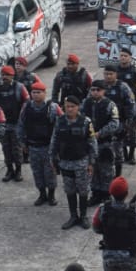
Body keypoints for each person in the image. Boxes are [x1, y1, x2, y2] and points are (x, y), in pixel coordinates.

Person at [51, 96, 98, 229]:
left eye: (73, 106)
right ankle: (73, 216)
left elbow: (92, 143)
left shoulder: (86, 122)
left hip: (82, 163)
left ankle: (83, 216)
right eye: (67, 106)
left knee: (83, 190)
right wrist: (52, 159)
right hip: (65, 163)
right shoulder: (60, 121)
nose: (70, 109)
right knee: (69, 190)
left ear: (78, 107)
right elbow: (54, 140)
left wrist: (91, 162)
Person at [18, 81, 62, 206]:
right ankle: (42, 194)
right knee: (37, 172)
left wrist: (58, 146)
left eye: (38, 92)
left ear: (44, 93)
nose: (36, 95)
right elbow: (21, 125)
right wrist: (22, 143)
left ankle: (51, 195)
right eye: (34, 92)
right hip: (33, 146)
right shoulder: (27, 107)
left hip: (48, 147)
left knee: (50, 173)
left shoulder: (53, 107)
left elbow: (61, 125)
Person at [81, 81, 122, 206]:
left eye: (98, 90)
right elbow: (80, 118)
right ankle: (95, 194)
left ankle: (106, 195)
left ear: (104, 91)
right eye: (93, 90)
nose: (95, 92)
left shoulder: (110, 104)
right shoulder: (86, 103)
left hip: (105, 143)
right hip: (89, 144)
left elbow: (115, 123)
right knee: (93, 170)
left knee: (106, 171)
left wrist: (100, 133)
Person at [0, 65, 29, 183]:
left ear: (12, 76)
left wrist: (22, 117)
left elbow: (27, 101)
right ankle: (9, 170)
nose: (5, 77)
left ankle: (18, 170)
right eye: (3, 75)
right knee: (6, 148)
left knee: (17, 149)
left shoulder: (19, 87)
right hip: (3, 124)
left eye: (7, 75)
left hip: (16, 123)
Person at [103, 65, 136, 171]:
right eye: (106, 74)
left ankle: (118, 174)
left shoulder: (123, 87)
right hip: (103, 124)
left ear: (116, 75)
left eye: (111, 74)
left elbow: (131, 104)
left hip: (119, 123)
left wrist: (129, 122)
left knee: (118, 150)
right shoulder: (99, 87)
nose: (108, 76)